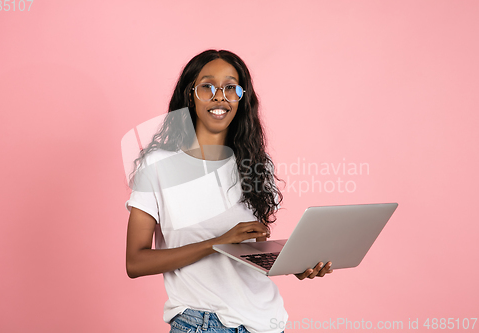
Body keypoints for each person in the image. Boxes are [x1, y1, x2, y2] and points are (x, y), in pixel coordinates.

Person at [125, 49, 333, 333]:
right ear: (190, 94)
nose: (219, 96)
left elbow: (243, 255)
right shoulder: (158, 166)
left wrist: (293, 263)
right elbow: (135, 261)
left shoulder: (256, 164)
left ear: (241, 97)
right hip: (204, 324)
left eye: (230, 88)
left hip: (267, 321)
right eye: (207, 86)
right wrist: (217, 242)